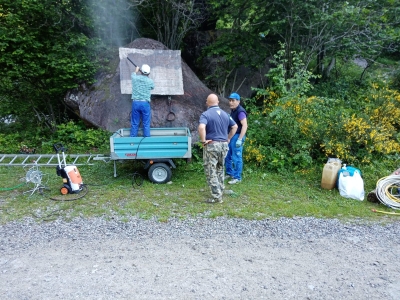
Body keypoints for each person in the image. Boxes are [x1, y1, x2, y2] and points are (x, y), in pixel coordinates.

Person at [198, 94, 238, 203]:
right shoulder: (225, 114)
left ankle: (217, 197)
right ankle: (220, 189)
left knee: (211, 171)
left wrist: (203, 141)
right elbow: (235, 126)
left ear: (207, 103)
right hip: (224, 145)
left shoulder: (205, 114)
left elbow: (202, 127)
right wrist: (228, 138)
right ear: (218, 102)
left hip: (212, 145)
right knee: (220, 168)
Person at [225, 92, 248, 184]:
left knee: (236, 157)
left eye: (233, 100)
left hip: (238, 136)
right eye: (230, 100)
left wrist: (240, 139)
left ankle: (237, 177)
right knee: (228, 155)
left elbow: (245, 126)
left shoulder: (240, 112)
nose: (231, 102)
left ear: (238, 101)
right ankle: (230, 173)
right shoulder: (233, 110)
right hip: (232, 135)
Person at [130, 64, 154, 137]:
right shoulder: (150, 81)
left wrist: (136, 70)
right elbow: (152, 87)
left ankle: (132, 142)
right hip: (145, 103)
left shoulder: (135, 78)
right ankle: (147, 141)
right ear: (149, 73)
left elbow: (133, 75)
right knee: (146, 123)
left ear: (141, 71)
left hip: (136, 103)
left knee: (134, 123)